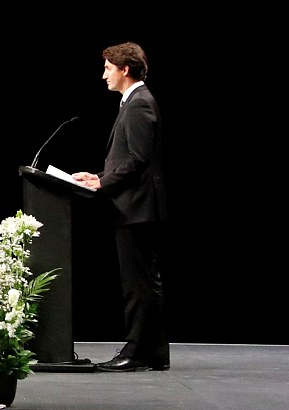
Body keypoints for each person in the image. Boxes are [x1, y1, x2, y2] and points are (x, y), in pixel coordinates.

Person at [71, 41, 169, 373]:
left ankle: (138, 352)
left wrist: (103, 183)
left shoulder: (140, 103)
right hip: (135, 206)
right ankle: (154, 351)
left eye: (108, 69)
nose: (104, 76)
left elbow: (139, 160)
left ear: (125, 69)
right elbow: (127, 159)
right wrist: (97, 175)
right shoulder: (134, 101)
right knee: (143, 282)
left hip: (137, 208)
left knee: (138, 285)